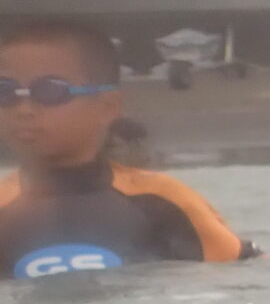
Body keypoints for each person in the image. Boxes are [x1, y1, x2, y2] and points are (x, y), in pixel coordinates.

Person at [0, 18, 254, 279]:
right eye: (5, 92)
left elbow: (245, 274)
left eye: (49, 91)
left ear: (107, 107)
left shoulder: (164, 201)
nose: (23, 110)